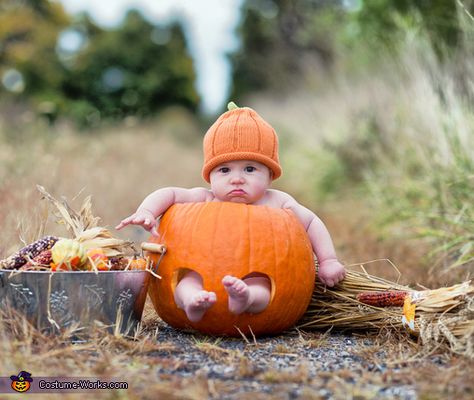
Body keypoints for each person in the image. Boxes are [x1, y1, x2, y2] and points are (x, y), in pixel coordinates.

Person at [116, 103, 346, 323]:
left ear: (270, 174)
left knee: (262, 286)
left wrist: (328, 260)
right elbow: (170, 194)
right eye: (224, 169)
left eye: (249, 168)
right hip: (204, 274)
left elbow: (312, 222)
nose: (237, 178)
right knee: (187, 281)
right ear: (210, 176)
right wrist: (147, 210)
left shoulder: (279, 202)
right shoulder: (205, 197)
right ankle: (192, 303)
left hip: (256, 272)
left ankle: (245, 298)